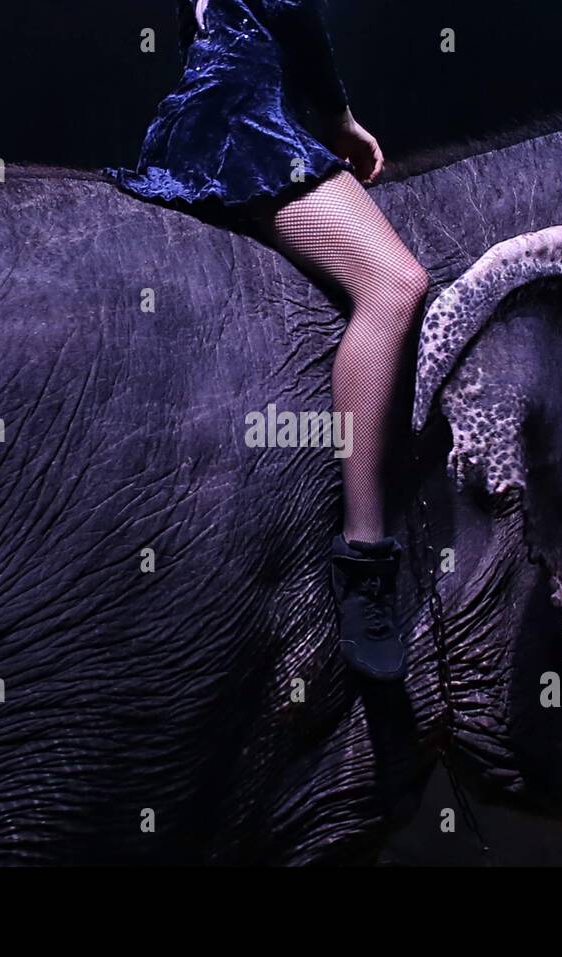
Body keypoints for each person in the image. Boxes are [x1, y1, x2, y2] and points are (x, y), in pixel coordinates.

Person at [103, 0, 429, 681]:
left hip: (222, 111)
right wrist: (336, 116)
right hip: (240, 124)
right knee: (395, 284)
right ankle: (365, 558)